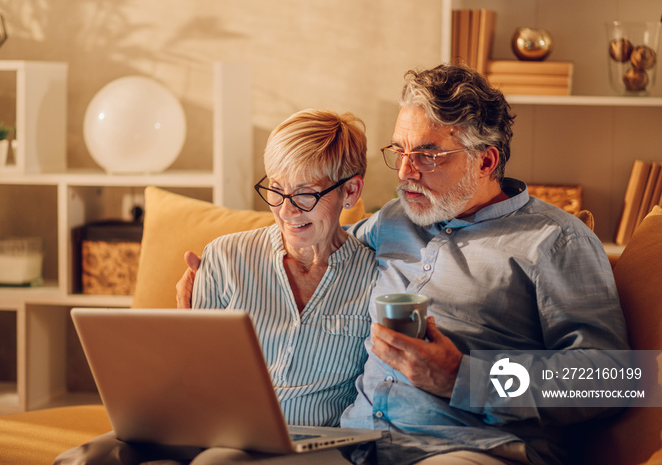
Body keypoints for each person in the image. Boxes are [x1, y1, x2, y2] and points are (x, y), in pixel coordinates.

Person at [177, 64, 629, 465]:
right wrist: (215, 291)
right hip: (356, 445)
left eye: (428, 156)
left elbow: (615, 379)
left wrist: (465, 378)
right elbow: (318, 240)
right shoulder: (397, 217)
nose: (405, 172)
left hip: (467, 448)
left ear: (485, 160)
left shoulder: (556, 240)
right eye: (400, 152)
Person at [54, 108, 378, 465]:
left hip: (313, 444)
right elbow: (188, 375)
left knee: (218, 463)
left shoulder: (377, 276)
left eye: (305, 195)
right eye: (276, 189)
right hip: (210, 428)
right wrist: (182, 335)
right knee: (91, 457)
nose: (286, 210)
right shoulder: (226, 256)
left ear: (351, 190)